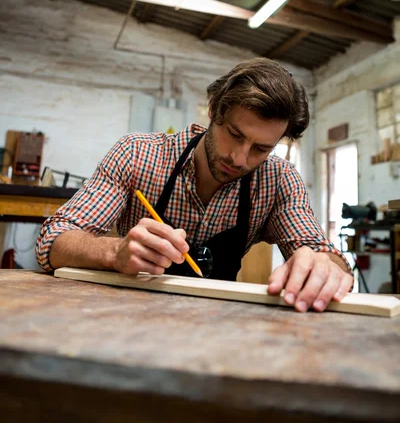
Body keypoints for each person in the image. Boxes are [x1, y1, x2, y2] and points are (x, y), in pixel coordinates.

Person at [36, 58, 353, 312]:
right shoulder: (138, 154)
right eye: (235, 134)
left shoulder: (278, 180)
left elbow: (325, 254)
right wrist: (114, 252)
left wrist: (324, 266)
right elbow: (52, 241)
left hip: (219, 327)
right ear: (214, 109)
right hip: (128, 318)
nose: (240, 159)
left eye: (261, 148)